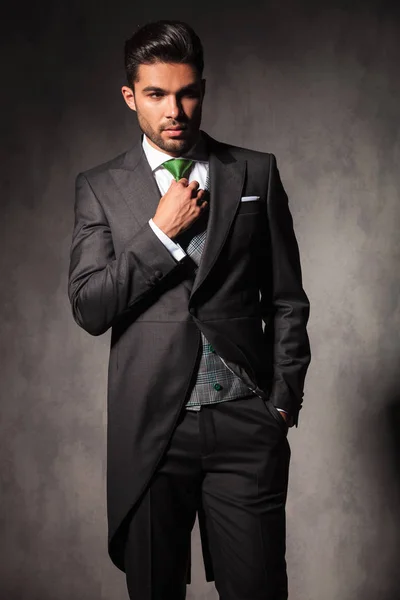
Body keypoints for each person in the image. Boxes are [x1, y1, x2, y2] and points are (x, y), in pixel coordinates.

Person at [68, 19, 311, 600]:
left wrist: (281, 402)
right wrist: (160, 234)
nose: (174, 109)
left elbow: (286, 299)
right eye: (156, 94)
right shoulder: (101, 187)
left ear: (203, 88)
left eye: (187, 92)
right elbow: (90, 306)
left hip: (246, 424)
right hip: (152, 431)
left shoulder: (255, 171)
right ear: (131, 97)